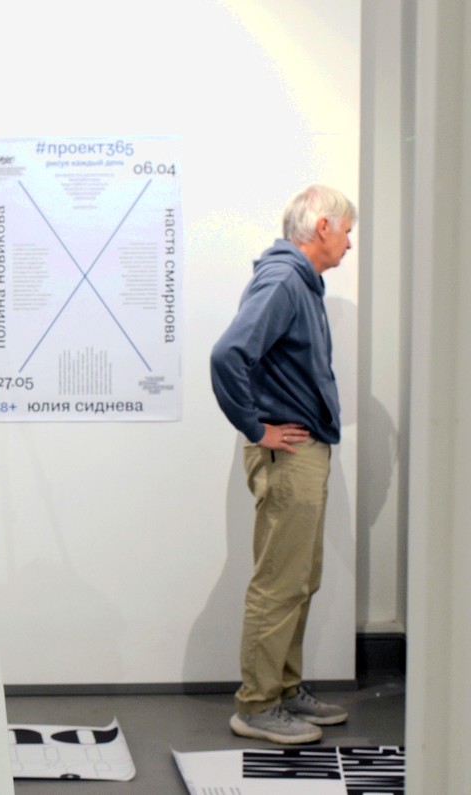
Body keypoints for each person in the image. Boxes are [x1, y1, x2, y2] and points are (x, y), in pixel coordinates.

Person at [210, 184, 356, 745]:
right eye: (346, 231)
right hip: (288, 455)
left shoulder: (300, 283)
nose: (348, 243)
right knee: (279, 583)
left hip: (303, 452)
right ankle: (256, 705)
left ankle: (285, 689)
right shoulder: (283, 281)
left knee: (300, 579)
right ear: (322, 227)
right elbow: (228, 354)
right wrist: (257, 428)